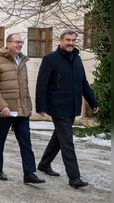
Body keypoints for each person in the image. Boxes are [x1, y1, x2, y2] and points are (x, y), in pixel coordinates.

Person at [35, 29, 99, 189]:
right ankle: (74, 177)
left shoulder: (77, 59)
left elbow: (84, 83)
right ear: (61, 40)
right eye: (68, 40)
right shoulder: (50, 59)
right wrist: (40, 105)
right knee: (67, 142)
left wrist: (93, 101)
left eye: (73, 40)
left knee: (58, 138)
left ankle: (44, 164)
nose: (71, 43)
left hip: (72, 107)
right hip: (57, 106)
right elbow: (41, 84)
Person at [0, 33, 45, 184]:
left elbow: (24, 87)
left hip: (22, 111)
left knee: (26, 141)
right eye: (16, 42)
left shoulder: (23, 62)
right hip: (5, 110)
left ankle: (29, 173)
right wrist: (2, 105)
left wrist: (29, 105)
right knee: (0, 140)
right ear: (8, 44)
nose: (20, 45)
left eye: (21, 42)